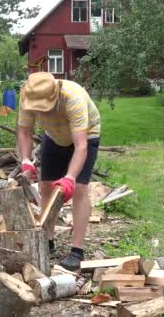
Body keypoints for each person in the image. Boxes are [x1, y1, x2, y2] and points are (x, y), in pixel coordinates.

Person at [17, 72, 100, 270]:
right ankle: (48, 241)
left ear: (54, 96)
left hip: (86, 136)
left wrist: (70, 178)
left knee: (80, 188)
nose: (41, 112)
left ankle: (77, 251)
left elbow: (80, 146)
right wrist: (26, 160)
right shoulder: (29, 96)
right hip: (54, 136)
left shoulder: (73, 98)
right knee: (45, 187)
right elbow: (24, 131)